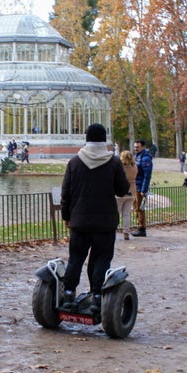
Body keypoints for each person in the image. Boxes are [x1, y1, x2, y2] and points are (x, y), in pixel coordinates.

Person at [60, 124, 129, 314]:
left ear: (86, 138)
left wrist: (66, 216)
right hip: (105, 221)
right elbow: (122, 189)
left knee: (76, 258)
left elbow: (66, 193)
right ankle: (97, 298)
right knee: (101, 259)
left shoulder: (74, 162)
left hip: (79, 220)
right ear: (103, 139)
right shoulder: (113, 162)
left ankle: (68, 294)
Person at [130, 139, 153, 237]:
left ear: (143, 147)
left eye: (137, 147)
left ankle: (142, 228)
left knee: (140, 208)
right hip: (136, 186)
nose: (135, 149)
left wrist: (144, 190)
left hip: (140, 187)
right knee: (136, 208)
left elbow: (147, 176)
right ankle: (139, 226)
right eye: (135, 147)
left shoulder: (145, 158)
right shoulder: (137, 156)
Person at [116, 150, 138, 240]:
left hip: (121, 191)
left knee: (116, 213)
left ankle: (113, 230)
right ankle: (126, 232)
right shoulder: (135, 167)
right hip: (132, 191)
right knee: (126, 214)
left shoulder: (121, 167)